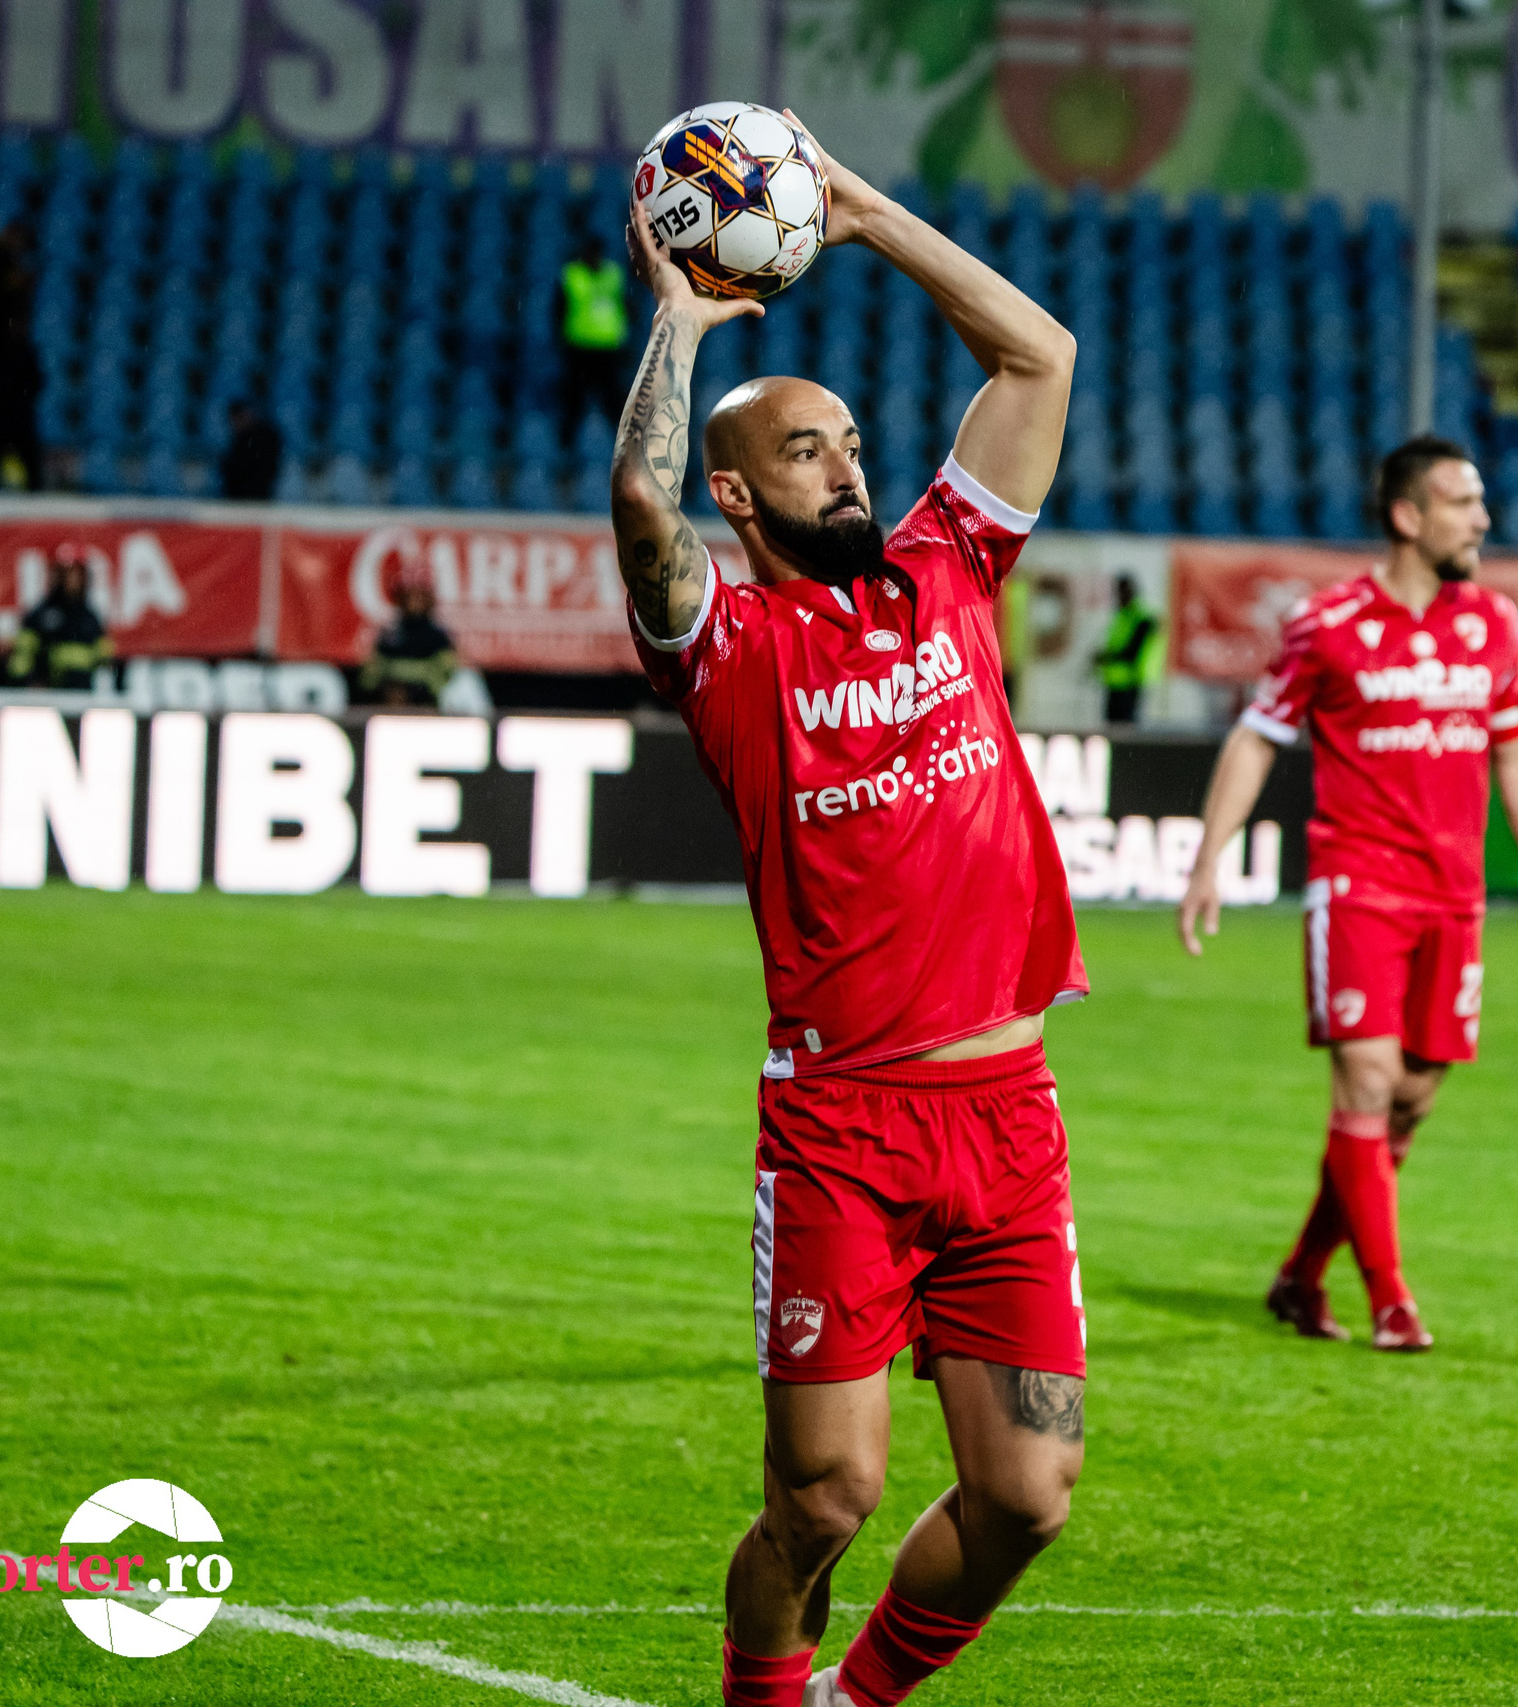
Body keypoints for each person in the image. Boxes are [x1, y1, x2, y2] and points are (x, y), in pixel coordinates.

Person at [610, 114, 1087, 1707]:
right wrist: (679, 323)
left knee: (1027, 1495)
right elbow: (637, 504)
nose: (851, 461)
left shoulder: (944, 568)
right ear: (740, 495)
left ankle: (851, 1700)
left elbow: (1039, 359)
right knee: (826, 1496)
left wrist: (867, 212)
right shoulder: (734, 652)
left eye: (853, 439)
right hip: (843, 1127)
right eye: (808, 447)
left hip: (1007, 1109)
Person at [1176, 437, 1518, 1352]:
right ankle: (1392, 1299)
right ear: (1407, 516)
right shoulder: (1328, 624)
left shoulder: (1495, 625)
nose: (1482, 518)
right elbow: (1257, 735)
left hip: (1454, 898)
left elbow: (1516, 752)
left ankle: (1301, 1276)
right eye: (1462, 502)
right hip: (1356, 886)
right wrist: (1209, 859)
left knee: (1413, 1096)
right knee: (1368, 1077)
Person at [5, 544, 113, 690]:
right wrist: (26, 683)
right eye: (68, 573)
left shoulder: (90, 617)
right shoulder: (41, 614)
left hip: (83, 693)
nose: (73, 580)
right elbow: (22, 657)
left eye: (77, 574)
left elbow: (103, 657)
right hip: (48, 692)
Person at [559, 231, 631, 427]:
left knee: (613, 402)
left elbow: (626, 307)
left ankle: (619, 441)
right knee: (574, 400)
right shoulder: (572, 275)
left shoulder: (614, 274)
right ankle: (569, 440)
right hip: (579, 347)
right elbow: (559, 310)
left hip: (608, 348)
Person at [359, 568, 457, 706]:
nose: (414, 602)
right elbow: (370, 677)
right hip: (391, 692)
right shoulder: (390, 632)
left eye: (419, 597)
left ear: (428, 600)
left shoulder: (438, 636)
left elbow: (443, 676)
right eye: (409, 596)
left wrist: (416, 678)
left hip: (424, 695)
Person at [1092, 574, 1158, 724]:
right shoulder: (1122, 616)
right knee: (1112, 727)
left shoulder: (1141, 618)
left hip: (1131, 683)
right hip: (1115, 682)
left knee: (1125, 728)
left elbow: (1131, 653)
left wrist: (1105, 657)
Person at [219, 398, 283, 500]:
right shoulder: (238, 440)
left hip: (259, 494)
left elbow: (266, 468)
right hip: (237, 497)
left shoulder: (266, 435)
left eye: (240, 417)